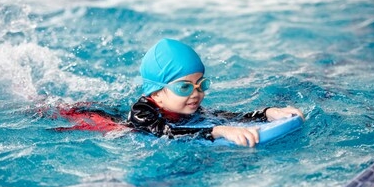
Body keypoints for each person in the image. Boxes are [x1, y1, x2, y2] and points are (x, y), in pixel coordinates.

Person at [126, 38, 303, 147]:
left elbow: (225, 117)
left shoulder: (186, 107)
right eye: (184, 87)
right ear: (156, 94)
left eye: (200, 85)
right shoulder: (141, 112)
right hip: (109, 126)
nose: (195, 94)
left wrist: (266, 113)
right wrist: (217, 131)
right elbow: (166, 132)